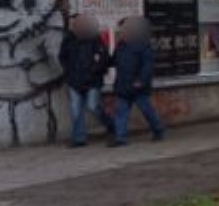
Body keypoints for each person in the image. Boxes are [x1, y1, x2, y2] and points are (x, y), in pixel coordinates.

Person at [58, 13, 112, 147]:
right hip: (74, 80)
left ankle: (112, 125)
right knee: (75, 110)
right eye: (76, 24)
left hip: (92, 80)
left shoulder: (95, 39)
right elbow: (62, 57)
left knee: (93, 106)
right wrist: (69, 72)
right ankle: (79, 138)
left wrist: (94, 70)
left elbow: (103, 57)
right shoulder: (68, 39)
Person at [109, 16, 164, 146]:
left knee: (147, 111)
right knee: (121, 113)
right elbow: (114, 61)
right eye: (121, 31)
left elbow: (148, 66)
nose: (121, 33)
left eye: (124, 31)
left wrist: (141, 80)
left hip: (138, 86)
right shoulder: (121, 46)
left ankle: (158, 130)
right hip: (123, 85)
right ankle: (120, 138)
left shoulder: (144, 46)